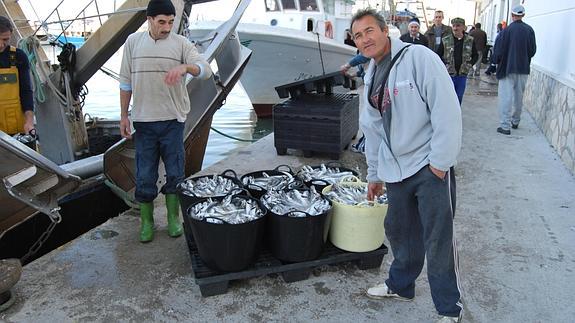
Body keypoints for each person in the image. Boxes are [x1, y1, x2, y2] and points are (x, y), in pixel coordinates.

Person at [350, 8, 463, 323]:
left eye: (369, 30)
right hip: (395, 170)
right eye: (358, 35)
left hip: (429, 167)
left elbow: (447, 110)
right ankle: (401, 286)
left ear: (386, 31)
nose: (365, 39)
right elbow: (372, 131)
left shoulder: (420, 58)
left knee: (438, 239)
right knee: (400, 232)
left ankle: (448, 310)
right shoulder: (371, 74)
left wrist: (440, 164)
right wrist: (374, 174)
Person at [119, 0, 212, 242]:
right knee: (144, 175)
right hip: (144, 122)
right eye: (161, 22)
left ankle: (173, 219)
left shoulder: (181, 43)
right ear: (149, 20)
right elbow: (125, 83)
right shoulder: (132, 43)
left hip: (173, 121)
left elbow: (205, 69)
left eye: (170, 22)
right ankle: (147, 222)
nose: (167, 27)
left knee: (175, 173)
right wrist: (123, 116)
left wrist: (185, 68)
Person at [493, 5, 536, 135]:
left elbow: (498, 51)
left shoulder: (505, 31)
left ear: (512, 16)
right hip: (523, 68)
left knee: (506, 98)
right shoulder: (530, 30)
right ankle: (515, 121)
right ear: (523, 15)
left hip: (507, 69)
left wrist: (495, 63)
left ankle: (505, 126)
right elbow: (532, 50)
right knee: (519, 97)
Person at [0, 16, 35, 136]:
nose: (1, 44)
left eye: (5, 39)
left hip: (17, 128)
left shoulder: (19, 57)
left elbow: (26, 91)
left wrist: (29, 122)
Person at [439, 17, 478, 104]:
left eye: (458, 26)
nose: (455, 28)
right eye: (453, 26)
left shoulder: (470, 40)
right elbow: (438, 55)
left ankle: (456, 115)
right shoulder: (446, 40)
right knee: (448, 96)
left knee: (459, 96)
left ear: (463, 27)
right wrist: (444, 65)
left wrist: (469, 65)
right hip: (449, 74)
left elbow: (475, 55)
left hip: (462, 74)